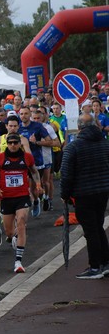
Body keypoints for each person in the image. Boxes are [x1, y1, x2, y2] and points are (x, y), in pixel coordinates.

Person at [60, 114, 109, 279]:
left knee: (90, 230)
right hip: (103, 191)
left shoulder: (74, 147)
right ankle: (105, 263)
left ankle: (95, 267)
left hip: (83, 193)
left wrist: (64, 195)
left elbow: (66, 174)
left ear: (79, 127)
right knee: (98, 226)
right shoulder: (104, 143)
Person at [0, 133, 42, 273]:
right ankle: (13, 238)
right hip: (6, 198)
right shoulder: (0, 158)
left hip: (22, 196)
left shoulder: (27, 157)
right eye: (10, 142)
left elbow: (34, 171)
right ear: (7, 143)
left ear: (19, 144)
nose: (13, 145)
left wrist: (37, 184)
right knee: (10, 231)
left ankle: (18, 261)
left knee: (22, 222)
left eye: (15, 143)